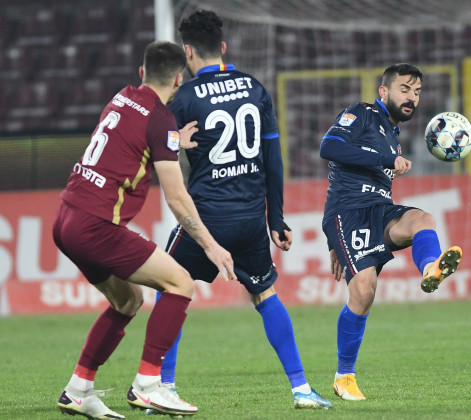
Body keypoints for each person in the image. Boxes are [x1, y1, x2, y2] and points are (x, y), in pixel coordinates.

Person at [153, 9, 332, 410]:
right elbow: (273, 158)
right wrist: (276, 219)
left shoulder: (183, 97)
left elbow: (154, 148)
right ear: (223, 47)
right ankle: (301, 389)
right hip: (252, 218)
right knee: (266, 294)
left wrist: (174, 144)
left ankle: (162, 386)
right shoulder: (254, 88)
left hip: (206, 219)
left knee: (169, 288)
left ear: (187, 53)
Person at [54, 40, 235, 419]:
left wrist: (171, 144)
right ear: (177, 78)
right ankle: (149, 385)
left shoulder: (122, 97)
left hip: (66, 218)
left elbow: (127, 145)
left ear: (141, 73)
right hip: (96, 225)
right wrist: (211, 246)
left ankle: (78, 389)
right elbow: (177, 199)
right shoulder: (160, 119)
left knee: (128, 301)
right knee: (181, 283)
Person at [320, 63, 463, 400]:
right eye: (404, 90)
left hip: (380, 210)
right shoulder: (364, 113)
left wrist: (386, 155)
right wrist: (383, 157)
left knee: (423, 219)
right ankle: (344, 377)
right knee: (364, 291)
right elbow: (329, 147)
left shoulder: (392, 131)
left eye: (416, 92)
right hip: (349, 212)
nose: (412, 97)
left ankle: (430, 267)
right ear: (384, 92)